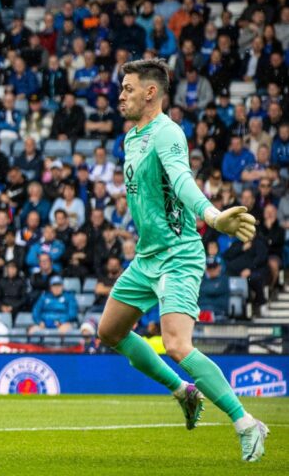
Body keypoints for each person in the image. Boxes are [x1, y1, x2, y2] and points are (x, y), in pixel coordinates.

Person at [96, 59, 266, 461]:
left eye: (128, 88)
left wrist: (212, 215)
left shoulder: (167, 132)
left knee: (175, 343)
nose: (120, 95)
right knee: (109, 332)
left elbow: (181, 178)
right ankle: (183, 392)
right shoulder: (130, 137)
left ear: (150, 93)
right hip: (147, 256)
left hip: (178, 254)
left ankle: (246, 423)